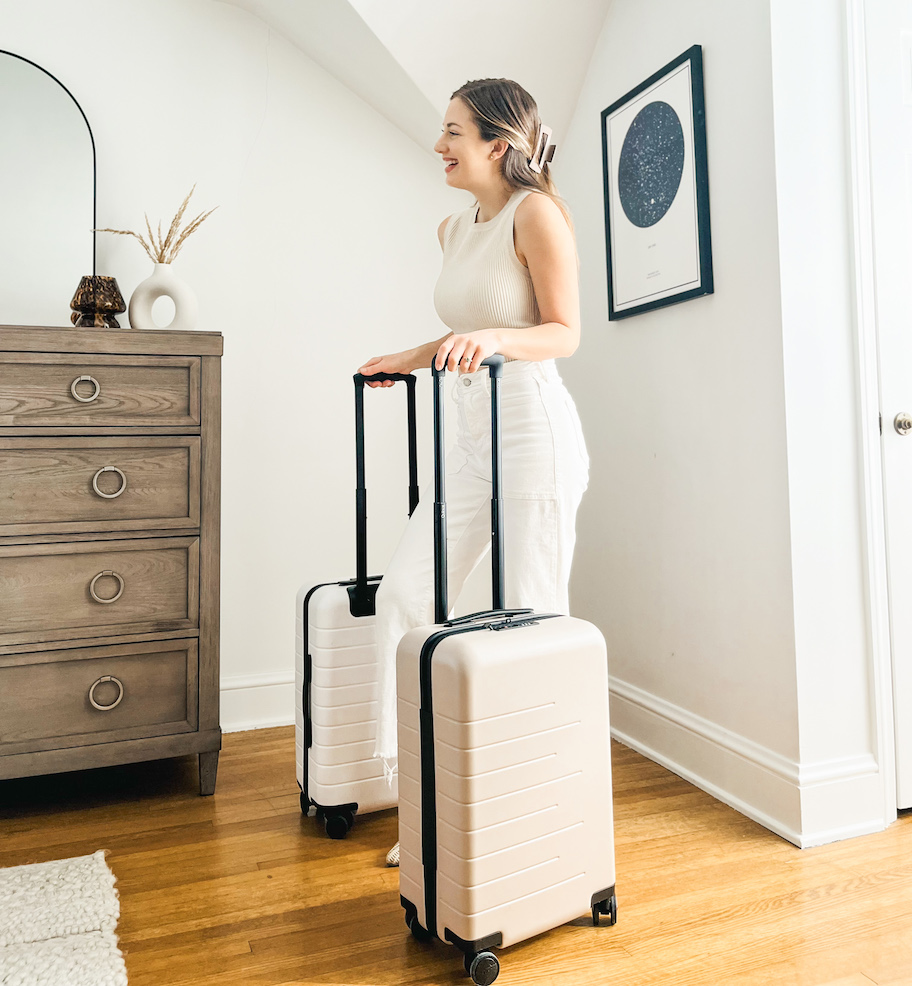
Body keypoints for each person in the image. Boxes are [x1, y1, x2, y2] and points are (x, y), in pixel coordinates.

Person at [358, 78, 589, 866]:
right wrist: (412, 356)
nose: (439, 145)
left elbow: (561, 334)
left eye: (453, 131)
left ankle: (530, 810)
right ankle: (422, 799)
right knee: (406, 597)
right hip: (468, 441)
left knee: (530, 620)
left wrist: (487, 341)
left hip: (531, 436)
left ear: (498, 143)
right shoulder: (453, 228)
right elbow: (466, 329)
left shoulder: (538, 214)